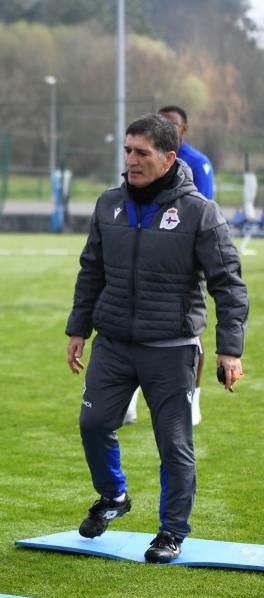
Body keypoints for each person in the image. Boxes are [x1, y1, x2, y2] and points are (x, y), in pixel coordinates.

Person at [66, 113, 247, 564]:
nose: (131, 161)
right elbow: (92, 270)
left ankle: (171, 532)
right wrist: (78, 329)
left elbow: (228, 283)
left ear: (168, 158)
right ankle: (114, 496)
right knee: (93, 425)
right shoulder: (108, 204)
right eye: (127, 151)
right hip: (112, 343)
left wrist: (230, 349)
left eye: (141, 153)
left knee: (173, 443)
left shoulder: (199, 212)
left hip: (171, 348)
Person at [123, 104, 216, 427]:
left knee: (189, 334)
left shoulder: (198, 164)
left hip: (182, 263)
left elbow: (200, 213)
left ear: (183, 130)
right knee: (131, 330)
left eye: (171, 124)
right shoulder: (143, 158)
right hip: (143, 257)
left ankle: (193, 399)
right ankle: (127, 404)